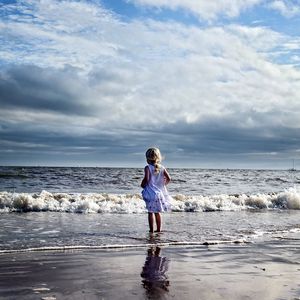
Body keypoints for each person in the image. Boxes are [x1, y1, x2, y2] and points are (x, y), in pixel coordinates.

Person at [141, 147, 172, 233]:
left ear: (147, 158)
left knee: (150, 212)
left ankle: (151, 231)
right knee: (157, 212)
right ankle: (158, 230)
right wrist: (163, 185)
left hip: (150, 193)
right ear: (158, 157)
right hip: (159, 194)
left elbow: (146, 180)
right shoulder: (162, 167)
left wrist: (142, 185)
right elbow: (169, 178)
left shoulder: (147, 168)